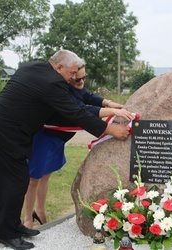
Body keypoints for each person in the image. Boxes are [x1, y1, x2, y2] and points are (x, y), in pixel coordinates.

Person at [0, 49, 131, 250]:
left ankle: (14, 225)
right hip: (4, 133)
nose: (74, 77)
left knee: (18, 180)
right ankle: (7, 234)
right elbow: (76, 113)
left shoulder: (32, 67)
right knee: (11, 182)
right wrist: (111, 129)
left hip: (3, 129)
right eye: (73, 72)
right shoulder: (53, 83)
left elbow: (80, 101)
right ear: (59, 67)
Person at [23, 66, 134, 228]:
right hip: (44, 138)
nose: (81, 81)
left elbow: (89, 96)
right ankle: (27, 219)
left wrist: (111, 103)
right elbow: (83, 110)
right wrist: (111, 111)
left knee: (45, 176)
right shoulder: (62, 91)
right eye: (77, 79)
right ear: (68, 78)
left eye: (84, 77)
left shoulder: (76, 87)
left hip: (56, 141)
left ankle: (40, 211)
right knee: (33, 179)